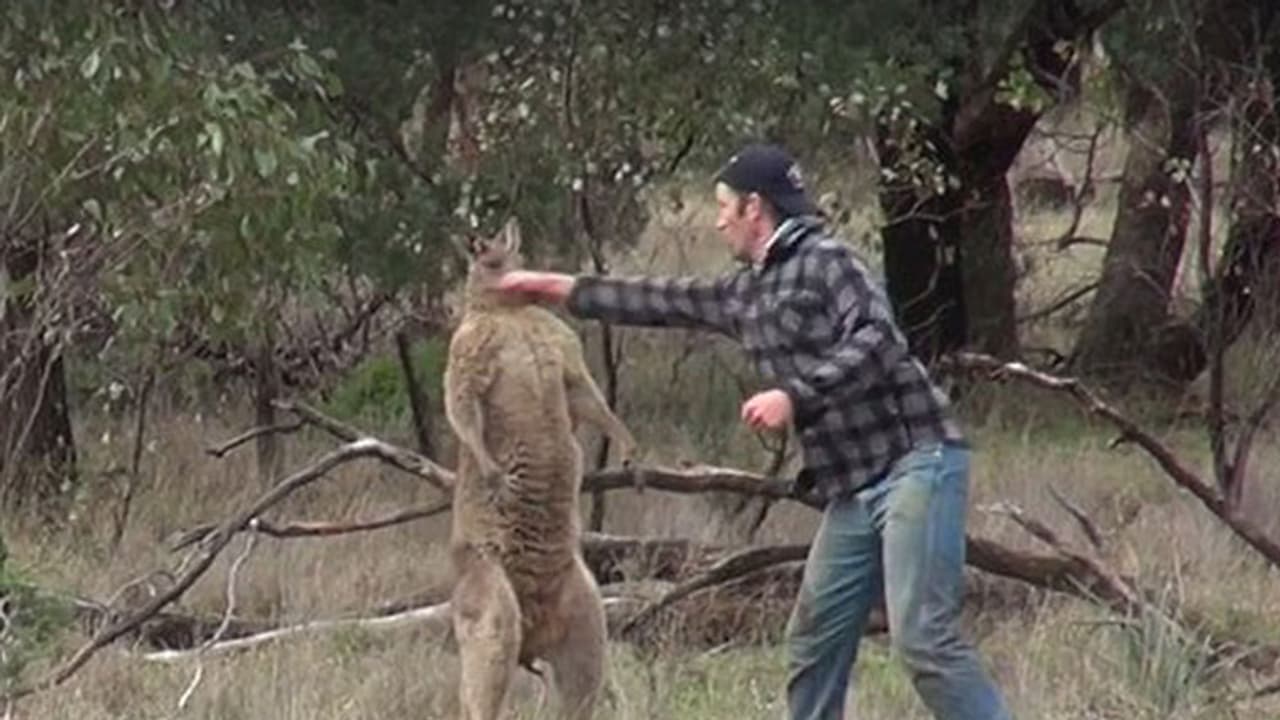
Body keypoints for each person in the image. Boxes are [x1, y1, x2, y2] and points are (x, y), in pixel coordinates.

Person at [495, 142, 1012, 720]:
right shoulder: (749, 291)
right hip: (853, 487)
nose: (717, 220)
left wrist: (794, 394)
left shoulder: (829, 262)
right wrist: (557, 288)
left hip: (916, 462)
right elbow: (663, 299)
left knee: (923, 642)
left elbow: (878, 340)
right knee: (814, 643)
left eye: (723, 206)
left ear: (754, 208)